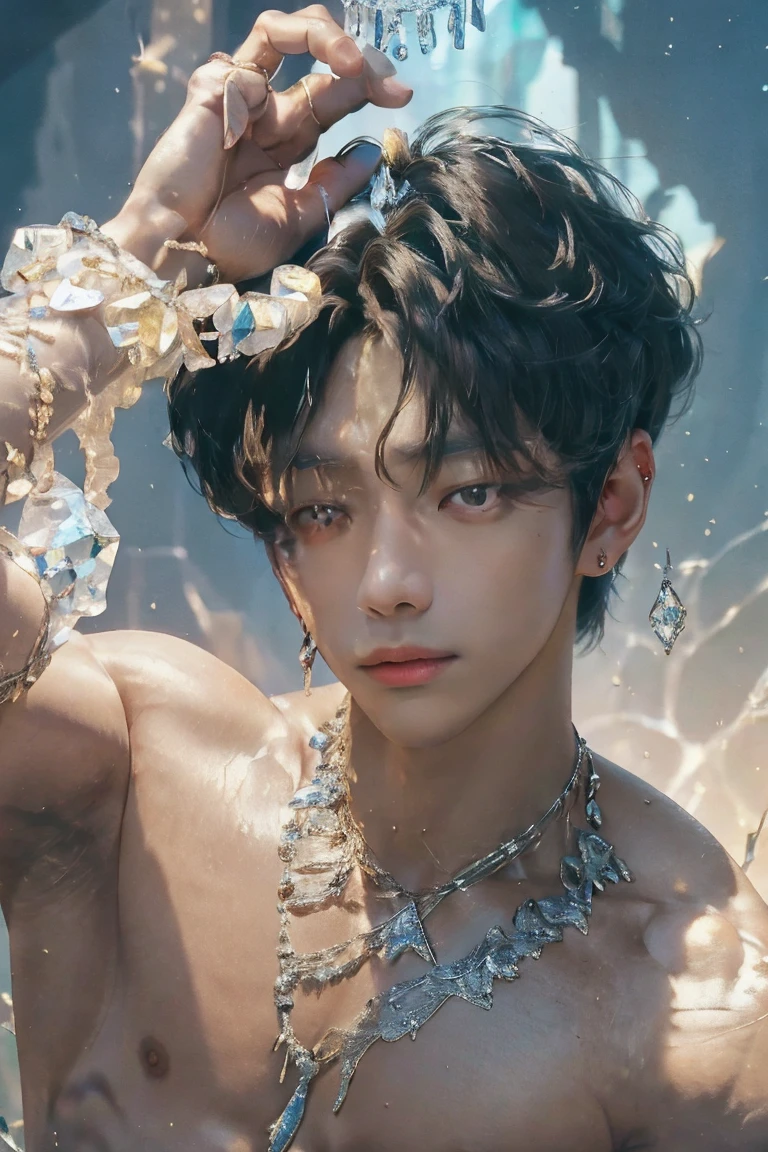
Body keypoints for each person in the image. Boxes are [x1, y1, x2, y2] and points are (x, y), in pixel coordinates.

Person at [1, 7, 767, 1150]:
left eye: (467, 494)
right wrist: (130, 272)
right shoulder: (123, 782)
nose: (389, 582)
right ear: (278, 551)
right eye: (325, 509)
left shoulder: (692, 1021)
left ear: (610, 506)